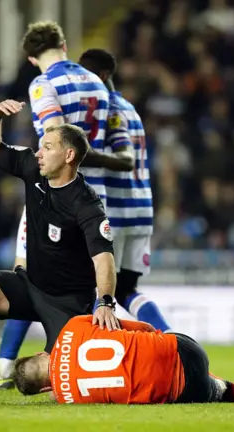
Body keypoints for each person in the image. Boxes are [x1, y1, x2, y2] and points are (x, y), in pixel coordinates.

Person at [0, 101, 120, 402]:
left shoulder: (87, 204)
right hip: (30, 284)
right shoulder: (32, 168)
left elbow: (103, 259)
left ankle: (49, 365)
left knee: (54, 386)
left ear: (68, 155)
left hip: (68, 305)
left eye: (47, 148)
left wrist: (105, 302)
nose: (38, 153)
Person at [0, 20, 113, 388]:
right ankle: (73, 355)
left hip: (54, 187)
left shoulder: (42, 83)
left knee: (29, 272)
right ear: (65, 46)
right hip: (88, 193)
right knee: (77, 280)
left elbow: (53, 132)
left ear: (30, 57)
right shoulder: (96, 82)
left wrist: (42, 162)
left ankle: (7, 364)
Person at [11, 315, 234, 405]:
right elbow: (143, 327)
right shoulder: (73, 326)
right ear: (44, 352)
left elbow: (68, 390)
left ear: (45, 391)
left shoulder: (70, 399)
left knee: (228, 392)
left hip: (183, 389)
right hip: (182, 349)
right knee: (166, 348)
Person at [78, 48, 171, 332]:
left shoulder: (108, 109)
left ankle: (95, 353)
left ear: (103, 75)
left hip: (116, 210)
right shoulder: (129, 108)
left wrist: (80, 152)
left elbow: (124, 158)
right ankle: (169, 337)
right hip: (141, 209)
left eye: (86, 75)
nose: (82, 82)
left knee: (98, 288)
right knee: (127, 288)